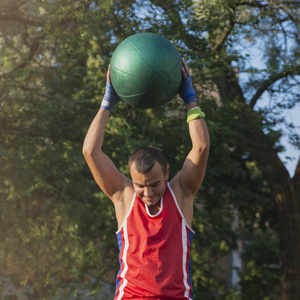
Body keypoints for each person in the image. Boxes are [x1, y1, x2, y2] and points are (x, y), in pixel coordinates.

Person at [82, 58, 210, 300]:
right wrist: (107, 103)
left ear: (167, 173)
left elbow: (201, 148)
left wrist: (190, 99)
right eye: (140, 185)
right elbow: (90, 152)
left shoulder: (181, 193)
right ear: (131, 180)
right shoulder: (124, 196)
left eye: (154, 184)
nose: (148, 192)